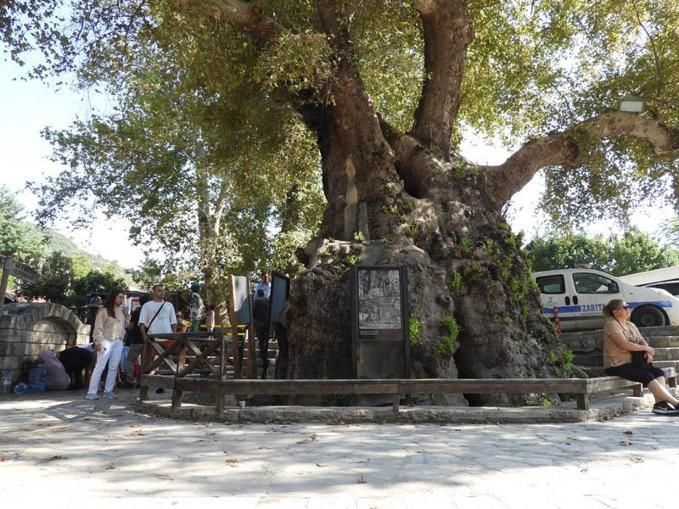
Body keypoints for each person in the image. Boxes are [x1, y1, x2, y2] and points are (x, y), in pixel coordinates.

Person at [602, 298, 679, 415]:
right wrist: (646, 349)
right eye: (624, 307)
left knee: (658, 372)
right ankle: (675, 403)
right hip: (617, 364)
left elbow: (642, 341)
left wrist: (647, 351)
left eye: (627, 306)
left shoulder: (631, 325)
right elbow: (624, 344)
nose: (628, 309)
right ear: (615, 311)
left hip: (634, 363)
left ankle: (660, 404)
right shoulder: (611, 325)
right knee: (646, 375)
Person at [85, 290, 129, 400]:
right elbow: (98, 327)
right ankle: (91, 392)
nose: (121, 299)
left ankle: (108, 391)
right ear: (113, 297)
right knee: (100, 366)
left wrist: (127, 315)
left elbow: (126, 325)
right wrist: (98, 341)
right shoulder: (104, 311)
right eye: (119, 297)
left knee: (114, 367)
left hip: (118, 341)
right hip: (106, 340)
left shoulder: (122, 311)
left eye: (122, 297)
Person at [139, 285, 177, 392]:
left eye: (163, 291)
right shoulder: (147, 306)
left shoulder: (169, 305)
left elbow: (173, 322)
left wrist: (173, 336)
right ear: (153, 292)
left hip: (167, 336)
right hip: (153, 337)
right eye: (159, 291)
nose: (162, 293)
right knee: (151, 361)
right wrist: (144, 337)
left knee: (167, 361)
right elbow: (141, 323)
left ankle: (162, 384)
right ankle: (148, 383)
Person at [124, 294, 149, 386]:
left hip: (136, 340)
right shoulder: (151, 311)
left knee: (130, 359)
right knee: (145, 360)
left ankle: (130, 379)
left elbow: (131, 326)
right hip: (149, 340)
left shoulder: (137, 312)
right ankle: (142, 380)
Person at [252, 288, 270, 378]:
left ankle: (263, 358)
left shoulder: (256, 302)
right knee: (265, 341)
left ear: (258, 294)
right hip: (268, 325)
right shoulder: (268, 300)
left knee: (261, 341)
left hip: (259, 325)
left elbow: (252, 313)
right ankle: (264, 358)